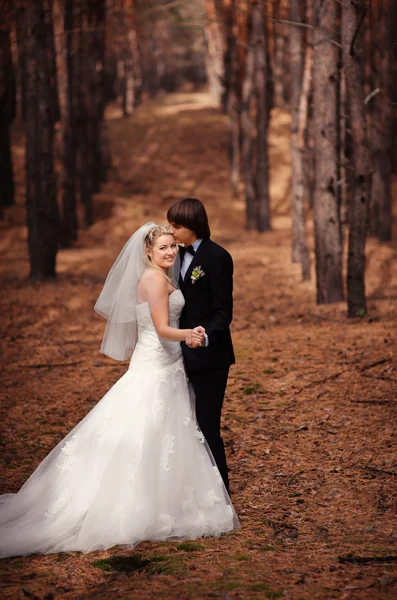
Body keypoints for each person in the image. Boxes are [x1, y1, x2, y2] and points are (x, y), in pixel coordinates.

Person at [0, 223, 239, 558]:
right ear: (148, 253)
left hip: (169, 366)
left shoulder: (164, 276)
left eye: (173, 246)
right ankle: (133, 504)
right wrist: (189, 334)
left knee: (168, 434)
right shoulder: (153, 280)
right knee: (144, 429)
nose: (171, 252)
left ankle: (168, 499)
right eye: (164, 249)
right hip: (155, 365)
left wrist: (192, 333)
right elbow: (160, 328)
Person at [167, 198, 235, 494]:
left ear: (193, 226)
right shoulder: (172, 256)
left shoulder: (218, 257)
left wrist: (203, 336)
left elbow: (223, 312)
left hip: (210, 357)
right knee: (179, 426)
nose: (171, 231)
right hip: (174, 354)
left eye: (176, 226)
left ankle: (220, 493)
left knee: (207, 426)